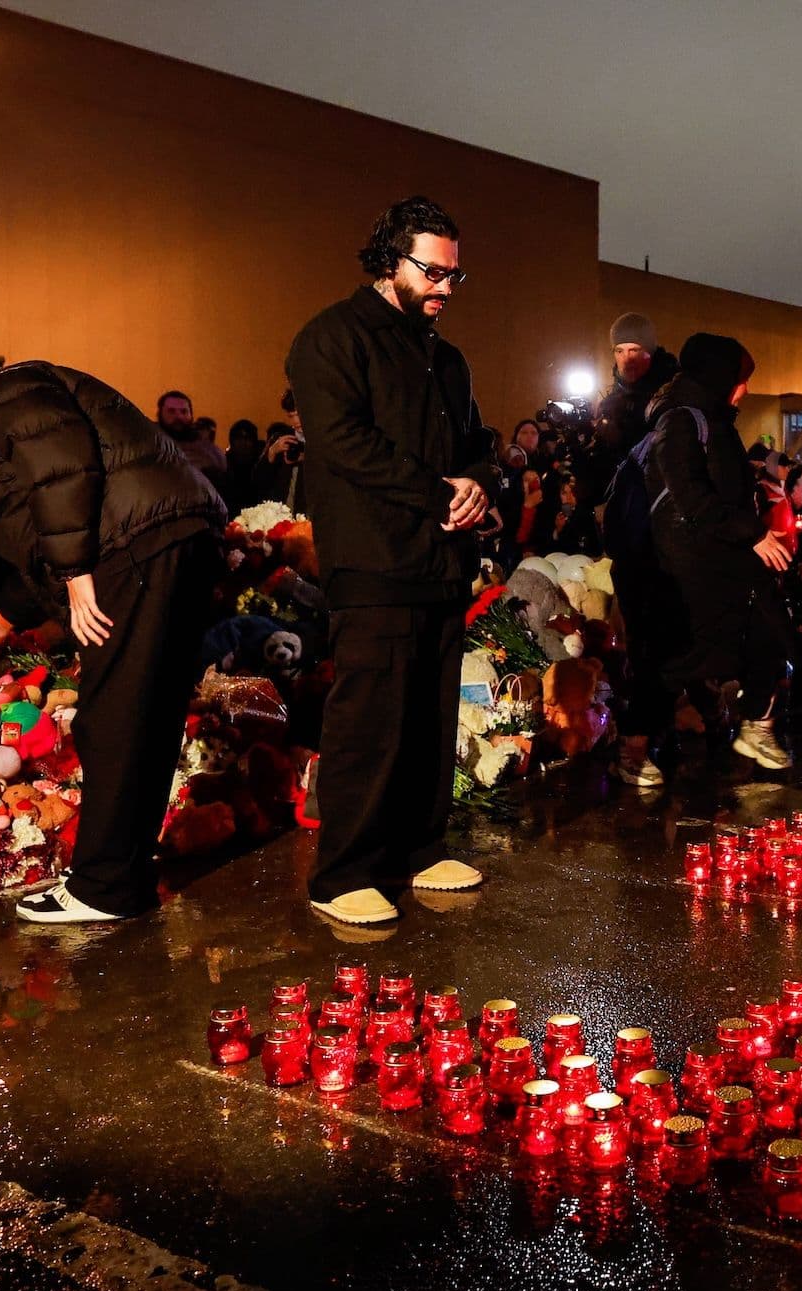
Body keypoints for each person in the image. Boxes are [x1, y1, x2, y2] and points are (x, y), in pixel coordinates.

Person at [0, 349, 227, 923]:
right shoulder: (13, 402)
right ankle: (122, 870)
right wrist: (5, 617)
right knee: (146, 712)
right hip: (163, 543)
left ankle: (104, 886)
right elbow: (45, 517)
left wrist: (76, 573)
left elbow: (63, 471)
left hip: (134, 551)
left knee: (113, 717)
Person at [286, 195, 497, 927]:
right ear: (388, 258)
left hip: (440, 561)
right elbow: (343, 443)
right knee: (370, 715)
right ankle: (343, 870)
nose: (443, 287)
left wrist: (477, 484)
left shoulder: (448, 356)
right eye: (431, 271)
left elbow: (477, 441)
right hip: (372, 557)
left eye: (453, 276)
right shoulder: (331, 338)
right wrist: (438, 491)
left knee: (430, 716)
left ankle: (418, 847)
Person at [645, 333, 796, 772]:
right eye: (740, 377)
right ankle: (636, 744)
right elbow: (690, 494)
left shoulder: (716, 420)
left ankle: (757, 727)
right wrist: (751, 533)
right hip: (692, 562)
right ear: (718, 375)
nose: (745, 388)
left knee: (769, 631)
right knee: (687, 658)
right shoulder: (681, 421)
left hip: (728, 556)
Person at [594, 312, 679, 460]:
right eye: (619, 351)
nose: (627, 359)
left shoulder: (672, 396)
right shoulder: (610, 402)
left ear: (649, 352)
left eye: (634, 350)